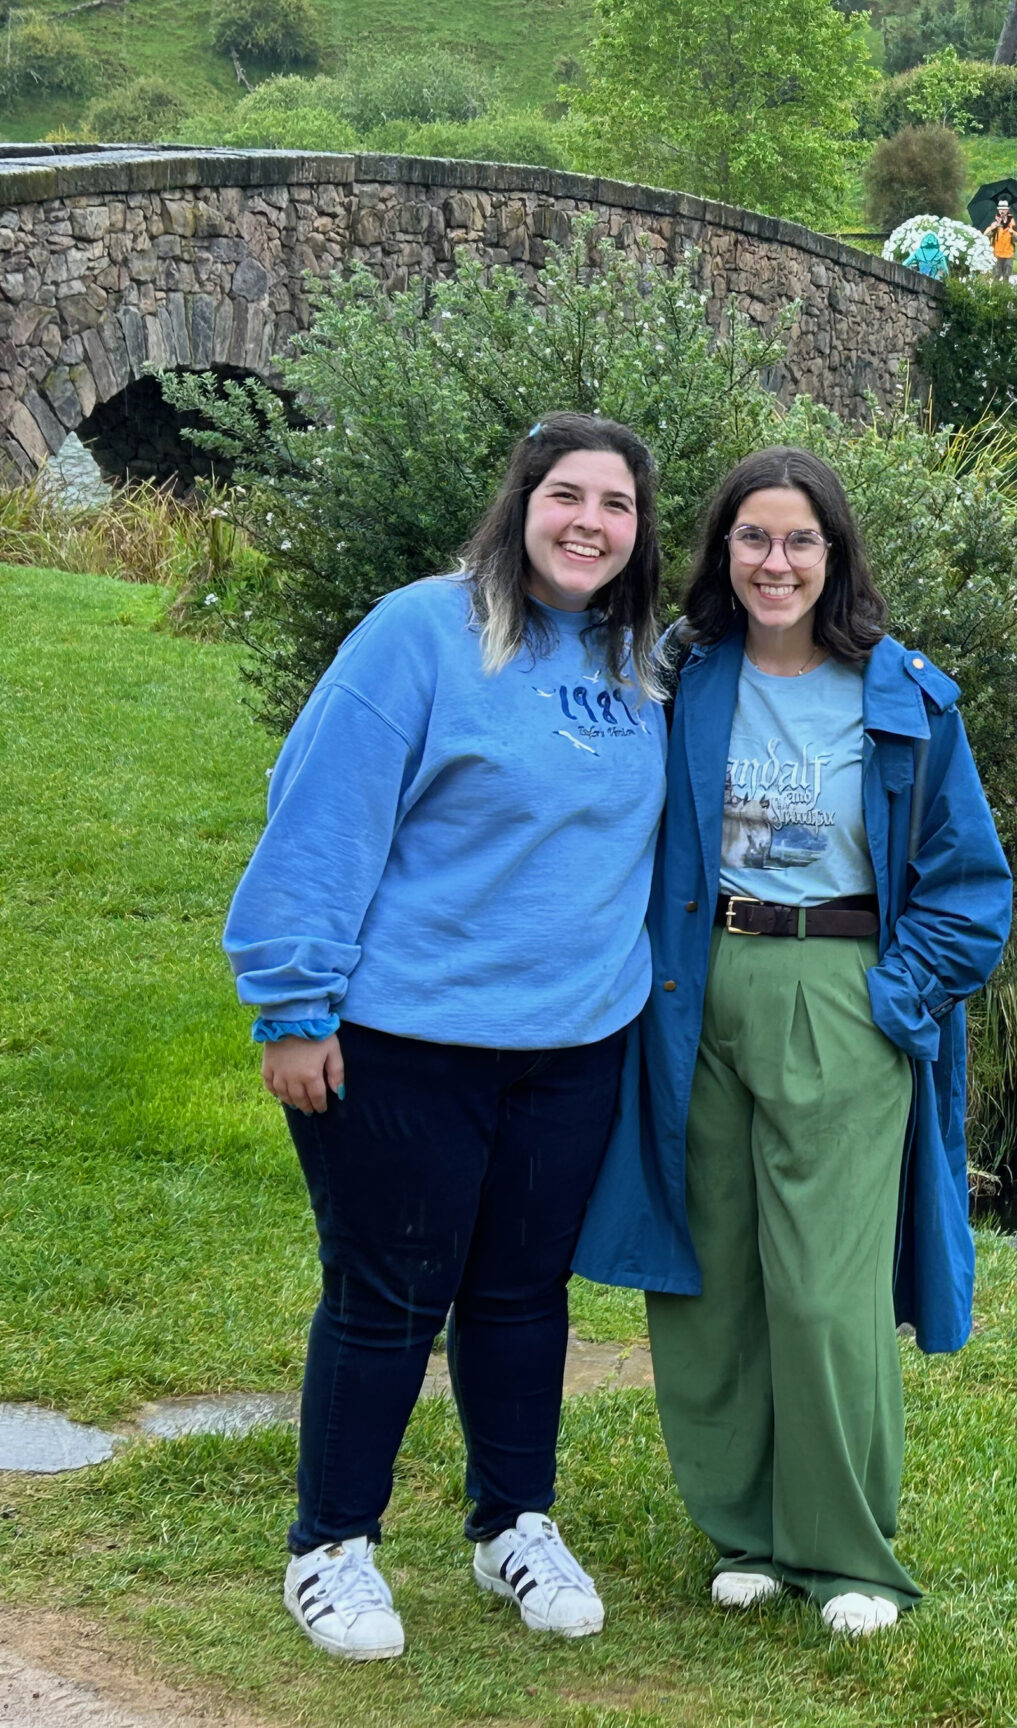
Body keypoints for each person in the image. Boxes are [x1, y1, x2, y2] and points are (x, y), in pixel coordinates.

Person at [224, 413, 669, 1662]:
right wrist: (294, 1007)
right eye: (567, 495)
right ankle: (333, 1549)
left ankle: (514, 1524)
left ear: (640, 531)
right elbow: (320, 817)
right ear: (522, 502)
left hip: (575, 1046)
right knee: (386, 1296)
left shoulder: (646, 662)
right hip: (405, 1040)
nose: (590, 522)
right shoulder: (421, 631)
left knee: (523, 1297)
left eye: (617, 505)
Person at [575, 447, 1012, 1639]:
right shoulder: (684, 680)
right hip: (698, 988)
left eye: (799, 541)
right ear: (723, 553)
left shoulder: (903, 695)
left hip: (839, 989)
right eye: (753, 539)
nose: (776, 562)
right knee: (712, 1274)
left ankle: (847, 1551)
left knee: (825, 1289)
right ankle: (748, 1529)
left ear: (834, 557)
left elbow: (970, 888)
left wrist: (897, 999)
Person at [989, 199, 1017, 281]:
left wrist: (1012, 233)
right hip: (996, 254)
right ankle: (995, 292)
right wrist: (993, 229)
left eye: (1004, 209)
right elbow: (986, 236)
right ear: (998, 210)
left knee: (1006, 275)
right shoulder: (993, 223)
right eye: (1001, 209)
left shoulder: (1013, 223)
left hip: (1009, 254)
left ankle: (1005, 292)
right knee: (996, 275)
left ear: (1007, 210)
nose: (1002, 211)